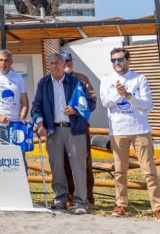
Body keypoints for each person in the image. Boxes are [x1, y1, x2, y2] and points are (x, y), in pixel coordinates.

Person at [100, 47, 160, 221]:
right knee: (120, 171)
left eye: (120, 60)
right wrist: (118, 93)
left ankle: (158, 208)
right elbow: (105, 102)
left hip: (140, 130)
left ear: (128, 60)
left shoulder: (140, 78)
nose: (117, 63)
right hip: (118, 131)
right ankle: (121, 205)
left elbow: (147, 105)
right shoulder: (107, 79)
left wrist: (128, 96)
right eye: (113, 60)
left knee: (149, 171)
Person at [32, 53, 95, 214]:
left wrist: (75, 109)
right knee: (57, 168)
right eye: (51, 63)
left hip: (75, 130)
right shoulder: (43, 83)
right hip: (53, 131)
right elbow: (36, 107)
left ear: (63, 65)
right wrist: (39, 124)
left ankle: (81, 202)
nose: (54, 66)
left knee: (78, 168)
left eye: (57, 63)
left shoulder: (75, 83)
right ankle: (60, 200)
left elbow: (90, 103)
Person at [60, 50, 97, 209]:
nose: (67, 64)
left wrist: (76, 110)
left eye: (69, 61)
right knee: (64, 164)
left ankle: (88, 199)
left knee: (84, 164)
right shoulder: (52, 80)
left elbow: (92, 103)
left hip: (80, 127)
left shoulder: (82, 79)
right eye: (64, 61)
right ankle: (69, 197)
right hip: (60, 128)